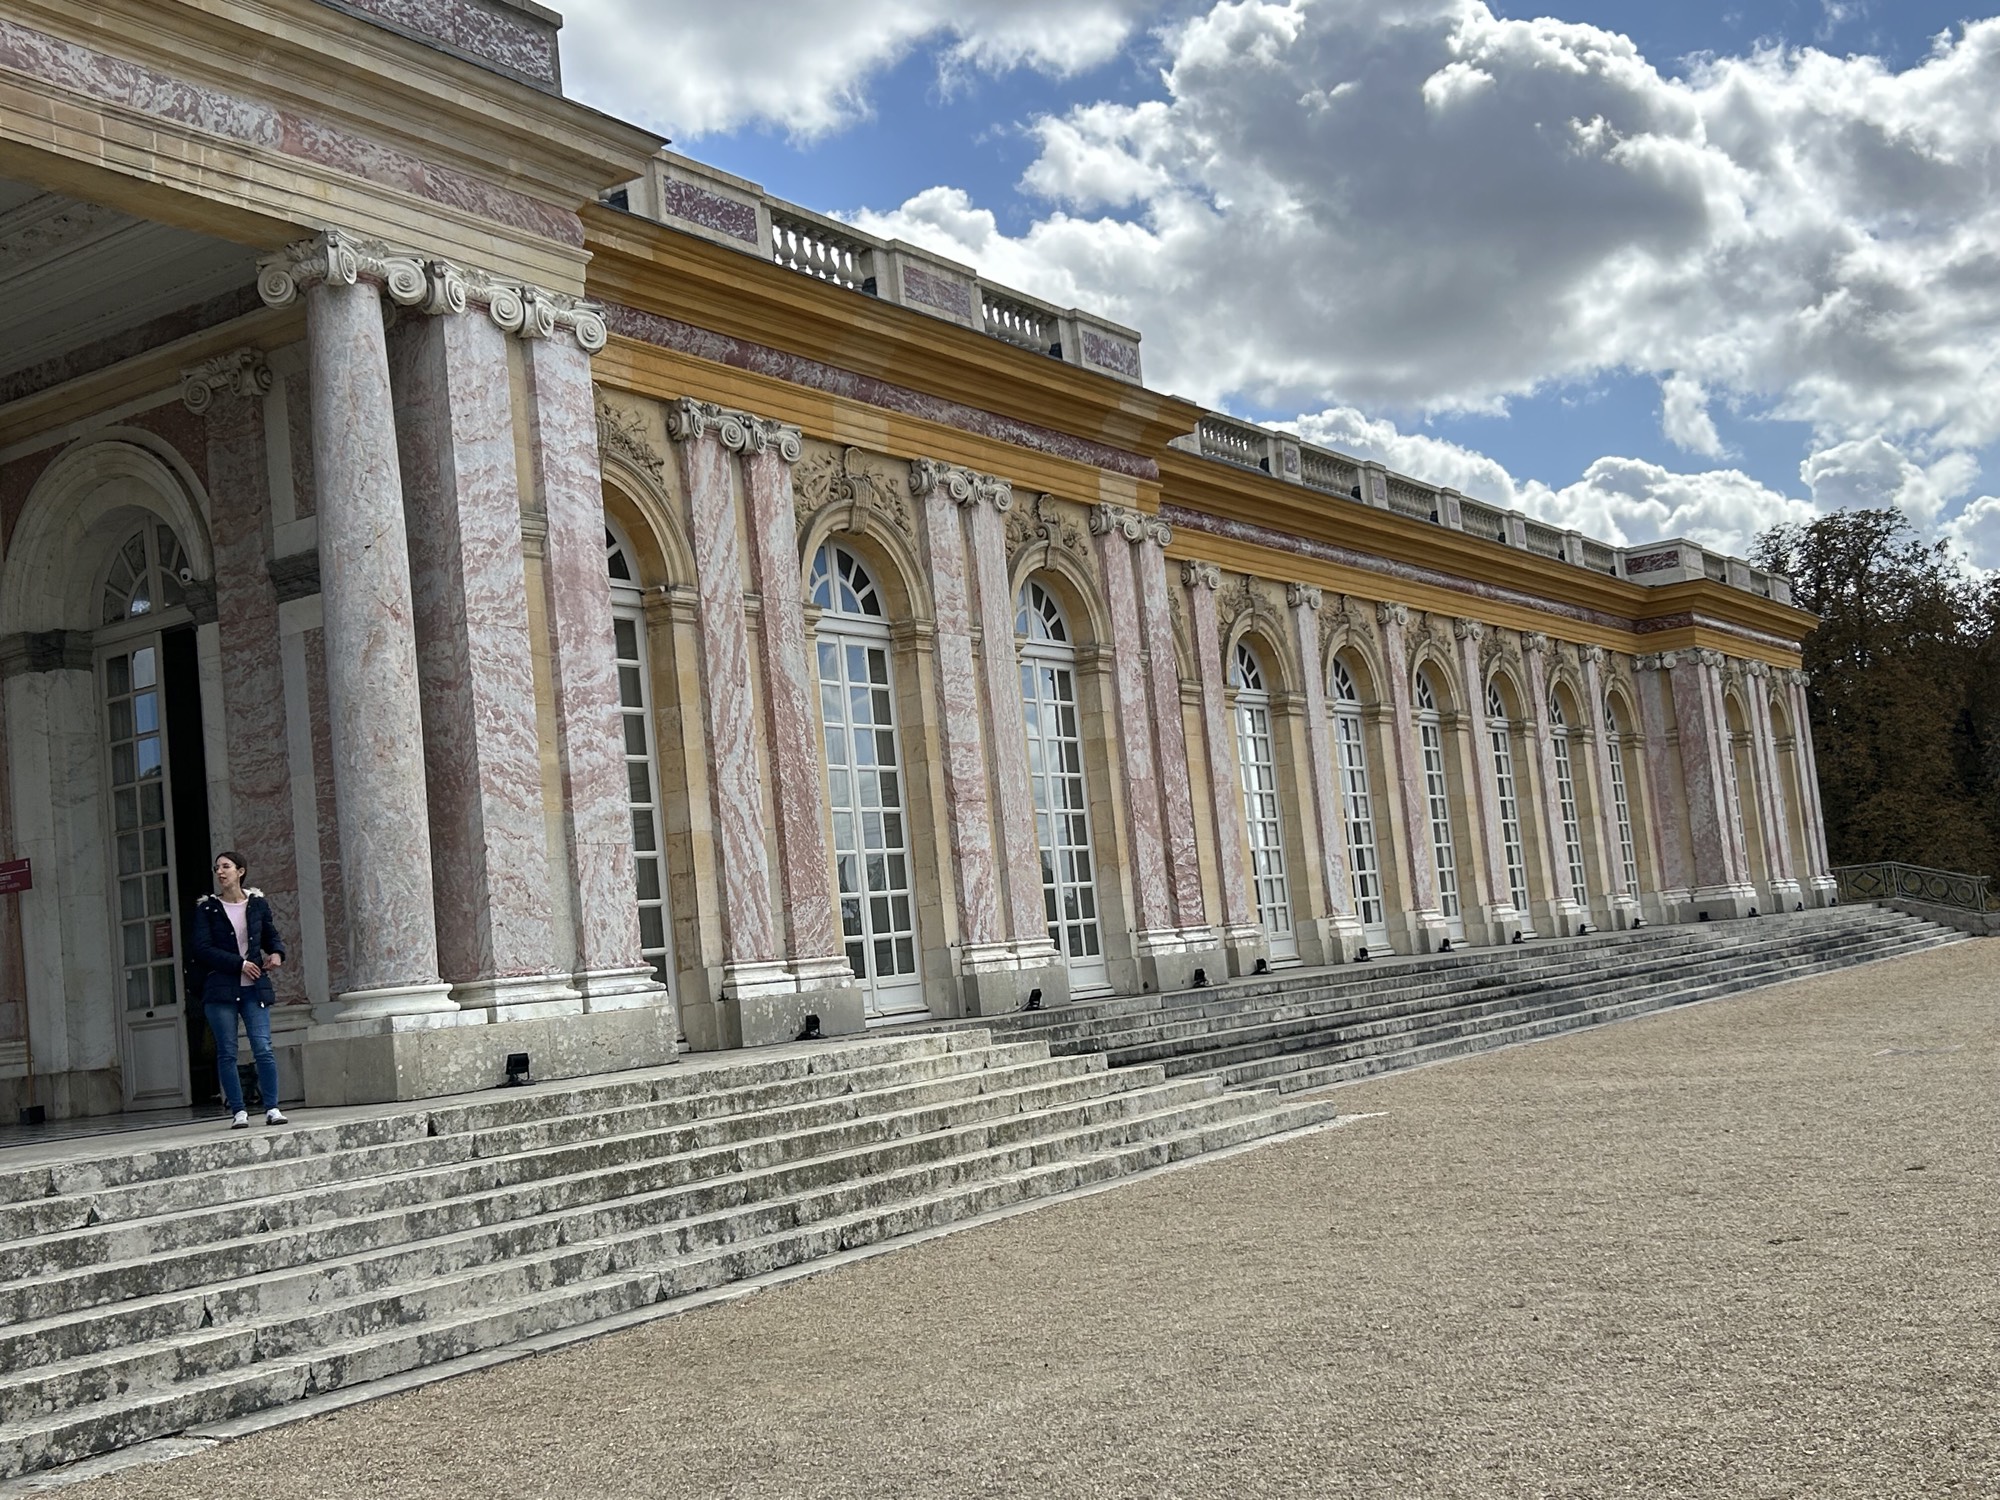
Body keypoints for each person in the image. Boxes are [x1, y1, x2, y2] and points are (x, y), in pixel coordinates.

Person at [192, 851, 289, 1128]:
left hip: (254, 989)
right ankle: (238, 1111)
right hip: (220, 990)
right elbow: (202, 948)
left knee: (263, 1047)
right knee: (227, 1051)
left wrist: (277, 954)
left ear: (240, 871)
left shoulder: (257, 904)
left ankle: (272, 1108)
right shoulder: (208, 909)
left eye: (226, 867)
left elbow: (270, 935)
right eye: (217, 868)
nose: (220, 872)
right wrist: (240, 964)